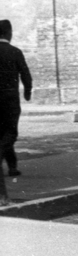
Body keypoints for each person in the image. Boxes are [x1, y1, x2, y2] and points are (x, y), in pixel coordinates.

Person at [0, 18, 32, 179]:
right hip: (10, 97)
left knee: (2, 132)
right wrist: (28, 91)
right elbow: (25, 73)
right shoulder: (15, 52)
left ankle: (13, 167)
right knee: (10, 132)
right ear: (9, 33)